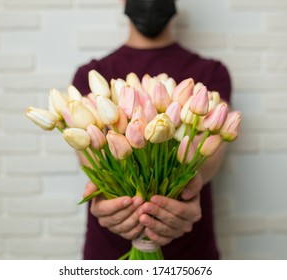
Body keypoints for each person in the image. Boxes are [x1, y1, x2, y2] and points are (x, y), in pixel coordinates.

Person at [72, 0, 231, 260]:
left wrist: (189, 184)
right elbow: (90, 155)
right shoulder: (92, 74)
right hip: (109, 248)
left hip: (189, 250)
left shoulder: (211, 73)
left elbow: (211, 151)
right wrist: (105, 194)